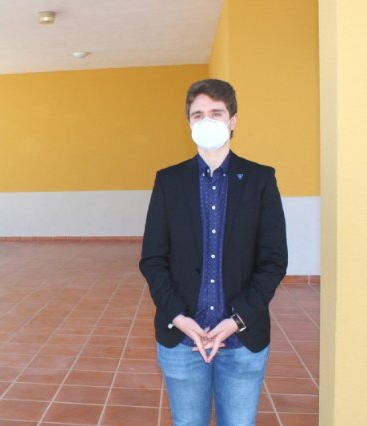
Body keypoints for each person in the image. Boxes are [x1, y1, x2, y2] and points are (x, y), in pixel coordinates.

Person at [139, 79, 288, 426]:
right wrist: (178, 316)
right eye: (198, 114)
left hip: (242, 340)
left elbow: (273, 261)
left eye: (216, 113)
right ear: (189, 123)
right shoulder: (168, 181)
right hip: (182, 339)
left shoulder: (261, 180)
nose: (207, 121)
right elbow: (153, 260)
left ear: (232, 120)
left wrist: (236, 320)